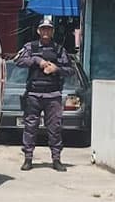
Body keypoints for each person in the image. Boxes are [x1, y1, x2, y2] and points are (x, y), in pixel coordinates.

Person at [14, 17, 74, 172]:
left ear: (52, 31)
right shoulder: (30, 47)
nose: (46, 32)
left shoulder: (59, 50)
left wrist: (57, 69)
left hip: (52, 95)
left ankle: (56, 159)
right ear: (38, 31)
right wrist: (36, 60)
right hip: (34, 94)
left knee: (55, 128)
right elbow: (18, 60)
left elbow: (70, 70)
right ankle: (28, 159)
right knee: (30, 127)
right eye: (43, 29)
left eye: (49, 29)